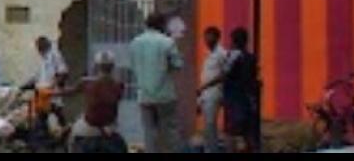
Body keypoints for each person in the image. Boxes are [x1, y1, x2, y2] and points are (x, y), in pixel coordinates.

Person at [129, 12, 185, 153]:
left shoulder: (135, 42)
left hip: (144, 95)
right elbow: (178, 65)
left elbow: (132, 66)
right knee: (170, 132)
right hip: (165, 95)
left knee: (149, 133)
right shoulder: (167, 42)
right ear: (162, 25)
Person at [204, 27, 260, 153]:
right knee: (247, 133)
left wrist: (205, 86)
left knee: (230, 132)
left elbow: (224, 74)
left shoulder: (234, 55)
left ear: (234, 41)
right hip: (248, 99)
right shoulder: (252, 57)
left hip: (235, 98)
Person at [58, 51, 127, 153]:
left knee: (70, 137)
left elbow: (69, 92)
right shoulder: (119, 85)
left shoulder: (87, 82)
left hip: (90, 125)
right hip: (110, 126)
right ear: (112, 67)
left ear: (96, 66)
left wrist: (51, 91)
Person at [22, 36, 69, 129]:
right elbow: (37, 76)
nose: (38, 50)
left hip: (50, 92)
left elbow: (63, 72)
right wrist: (25, 85)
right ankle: (45, 136)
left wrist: (54, 87)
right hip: (42, 92)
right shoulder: (44, 57)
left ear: (44, 45)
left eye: (39, 47)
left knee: (54, 111)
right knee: (43, 115)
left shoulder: (54, 55)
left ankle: (65, 129)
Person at [198, 26, 229, 152]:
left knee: (210, 124)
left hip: (214, 93)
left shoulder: (222, 53)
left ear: (216, 38)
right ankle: (209, 149)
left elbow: (224, 74)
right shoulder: (209, 53)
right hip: (205, 94)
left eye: (209, 36)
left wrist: (206, 86)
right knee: (207, 125)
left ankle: (212, 150)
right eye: (205, 36)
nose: (206, 39)